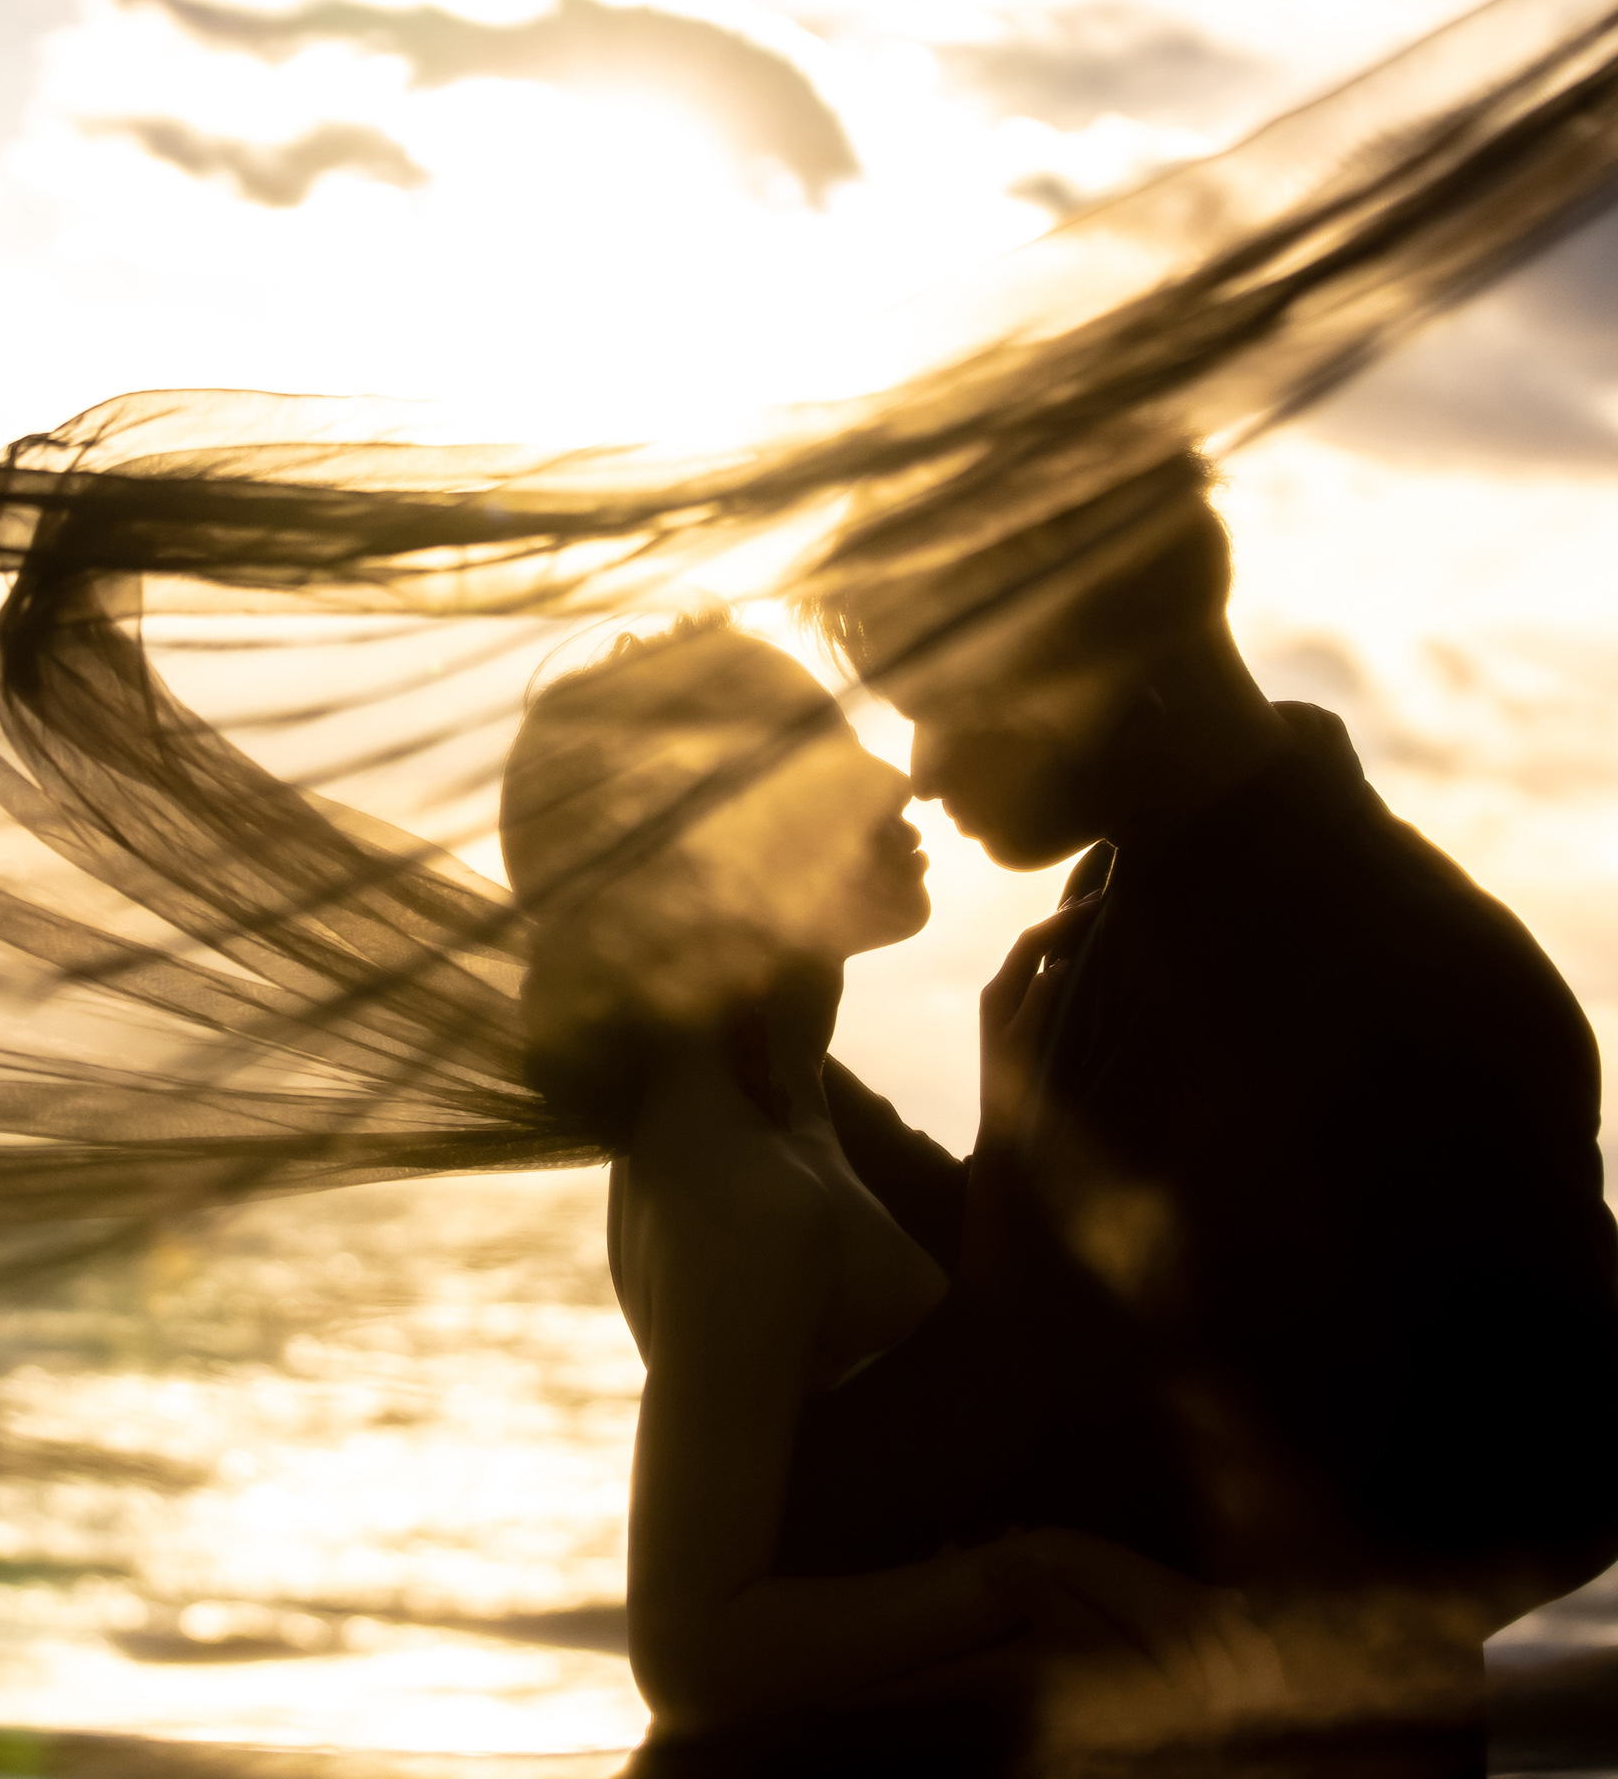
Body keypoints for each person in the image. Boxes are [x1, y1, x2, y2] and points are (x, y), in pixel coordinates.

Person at [772, 446, 1618, 1768]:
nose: (923, 768)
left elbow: (1573, 1473)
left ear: (1092, 667)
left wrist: (1244, 1653)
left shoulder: (1417, 971)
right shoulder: (1134, 903)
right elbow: (1070, 1300)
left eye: (942, 702)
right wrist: (747, 1064)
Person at [499, 613, 1287, 1773]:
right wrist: (1034, 1574)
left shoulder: (797, 1097)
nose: (895, 779)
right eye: (820, 754)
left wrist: (1015, 1119)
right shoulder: (740, 1187)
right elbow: (689, 1650)